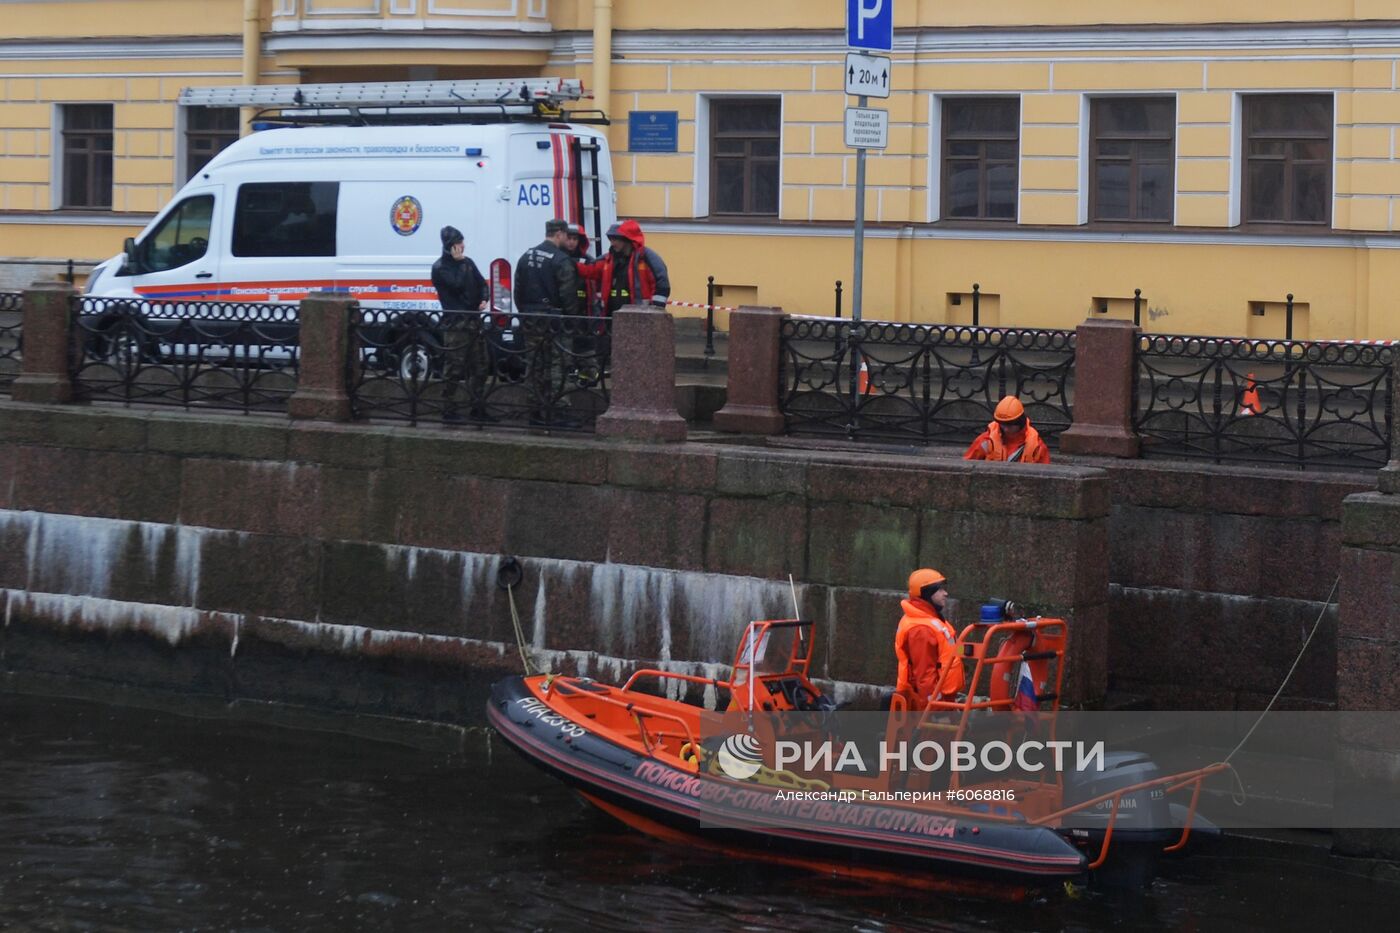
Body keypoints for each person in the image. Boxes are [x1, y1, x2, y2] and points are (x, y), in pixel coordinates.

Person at [514, 218, 582, 426]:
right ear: (559, 234)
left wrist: (526, 312)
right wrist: (572, 319)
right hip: (554, 320)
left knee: (534, 365)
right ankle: (559, 412)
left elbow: (518, 291)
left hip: (530, 319)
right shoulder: (561, 260)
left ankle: (534, 411)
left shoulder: (526, 256)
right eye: (565, 235)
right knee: (557, 365)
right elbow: (568, 295)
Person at [430, 225, 489, 423]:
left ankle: (478, 406)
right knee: (454, 367)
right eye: (458, 243)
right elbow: (456, 285)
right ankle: (448, 408)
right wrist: (461, 264)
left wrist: (484, 298)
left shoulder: (468, 263)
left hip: (473, 320)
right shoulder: (440, 268)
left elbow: (482, 283)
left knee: (480, 365)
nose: (463, 246)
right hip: (455, 323)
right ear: (450, 246)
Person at [893, 568, 964, 711]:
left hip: (942, 700)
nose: (945, 593)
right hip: (930, 706)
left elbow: (948, 650)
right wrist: (936, 711)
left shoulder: (928, 620)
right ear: (926, 593)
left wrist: (966, 650)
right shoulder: (921, 629)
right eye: (940, 590)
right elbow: (924, 677)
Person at [579, 219, 671, 313]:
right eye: (610, 239)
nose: (612, 243)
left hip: (641, 317)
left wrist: (656, 311)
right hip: (611, 318)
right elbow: (588, 270)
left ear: (627, 238)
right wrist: (570, 256)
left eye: (615, 239)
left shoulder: (647, 258)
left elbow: (662, 285)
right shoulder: (608, 260)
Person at [963, 395, 1051, 464]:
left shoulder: (1037, 447)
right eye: (1002, 424)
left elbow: (1044, 475)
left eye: (1009, 425)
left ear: (1020, 423)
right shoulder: (986, 440)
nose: (1005, 429)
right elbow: (966, 465)